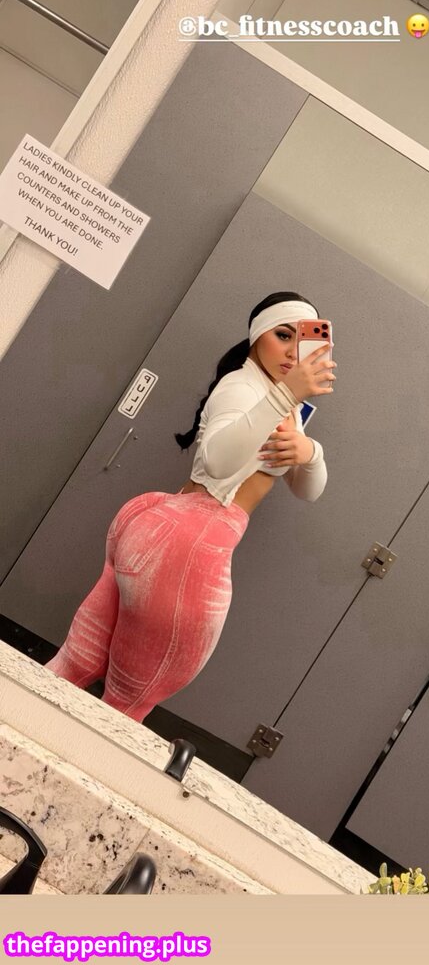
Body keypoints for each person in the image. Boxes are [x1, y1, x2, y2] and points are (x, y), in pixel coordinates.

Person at [45, 292, 336, 722]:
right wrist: (284, 398)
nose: (294, 352)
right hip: (192, 547)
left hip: (161, 527)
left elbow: (308, 490)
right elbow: (218, 461)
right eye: (282, 335)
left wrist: (309, 451)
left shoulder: (279, 401)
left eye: (303, 340)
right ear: (257, 337)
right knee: (125, 706)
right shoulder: (244, 388)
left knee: (74, 664)